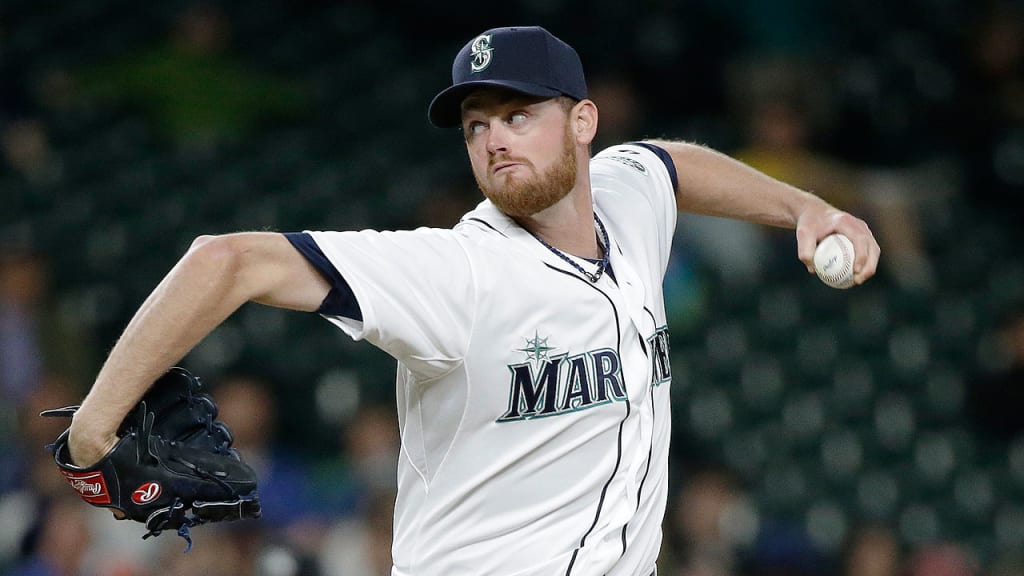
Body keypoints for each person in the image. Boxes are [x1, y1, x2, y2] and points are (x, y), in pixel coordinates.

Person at [61, 25, 880, 576]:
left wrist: (805, 208)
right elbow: (226, 260)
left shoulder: (626, 200)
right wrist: (94, 432)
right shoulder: (460, 270)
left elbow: (666, 163)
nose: (494, 140)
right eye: (476, 125)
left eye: (518, 115)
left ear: (583, 122)